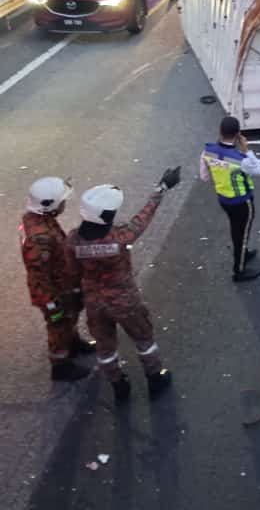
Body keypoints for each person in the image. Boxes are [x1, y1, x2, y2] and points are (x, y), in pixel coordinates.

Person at [66, 169, 181, 402]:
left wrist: (76, 295)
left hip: (94, 303)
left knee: (105, 347)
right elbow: (144, 216)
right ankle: (154, 379)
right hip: (125, 301)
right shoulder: (121, 237)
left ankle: (118, 385)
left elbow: (72, 273)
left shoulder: (73, 240)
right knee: (143, 339)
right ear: (107, 217)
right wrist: (162, 187)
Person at [20, 177, 95, 382]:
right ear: (49, 206)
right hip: (52, 292)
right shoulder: (39, 238)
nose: (64, 204)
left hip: (62, 284)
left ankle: (73, 343)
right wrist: (52, 304)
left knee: (69, 318)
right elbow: (38, 275)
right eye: (61, 201)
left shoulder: (38, 220)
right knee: (58, 325)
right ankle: (60, 365)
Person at [200, 116, 260, 282]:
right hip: (243, 202)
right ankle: (239, 270)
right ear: (238, 135)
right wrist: (247, 150)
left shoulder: (207, 151)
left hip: (224, 199)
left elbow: (204, 177)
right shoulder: (241, 159)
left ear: (219, 131)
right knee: (242, 232)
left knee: (236, 228)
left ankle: (243, 252)